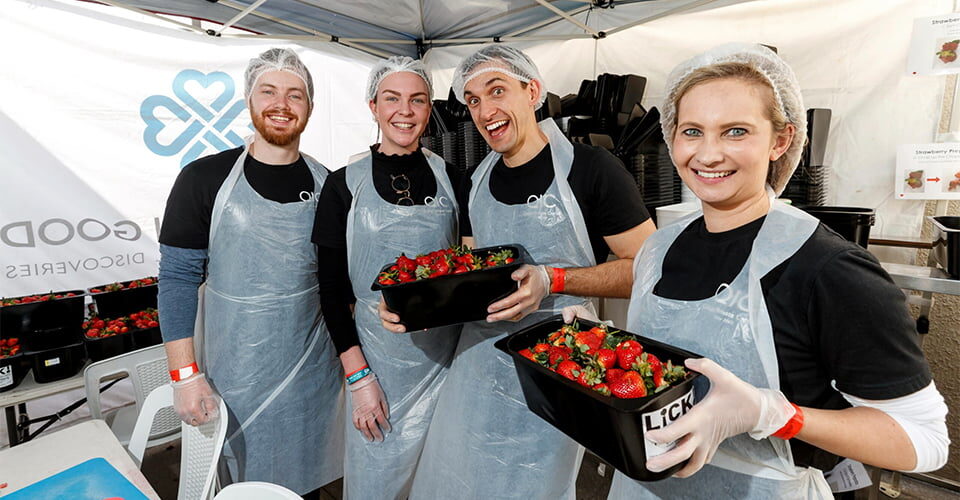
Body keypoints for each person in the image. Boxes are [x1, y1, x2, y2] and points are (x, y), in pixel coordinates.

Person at [557, 43, 949, 499]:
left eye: (736, 131)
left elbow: (923, 441)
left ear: (780, 140)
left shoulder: (829, 268)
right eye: (692, 131)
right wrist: (595, 347)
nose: (708, 154)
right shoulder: (659, 250)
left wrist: (774, 414)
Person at [388, 45, 657, 499]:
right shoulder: (475, 181)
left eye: (497, 91)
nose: (485, 110)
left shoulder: (592, 170)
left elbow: (649, 272)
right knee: (457, 479)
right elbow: (470, 272)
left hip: (557, 370)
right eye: (473, 100)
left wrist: (555, 280)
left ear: (532, 91)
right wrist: (413, 306)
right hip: (478, 364)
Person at [157, 48, 344, 499]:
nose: (281, 104)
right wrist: (185, 376)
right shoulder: (203, 180)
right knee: (245, 485)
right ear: (249, 100)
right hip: (234, 376)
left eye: (295, 95)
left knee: (310, 484)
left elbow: (341, 284)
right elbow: (178, 280)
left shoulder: (330, 186)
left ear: (309, 109)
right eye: (269, 91)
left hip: (313, 376)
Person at [311, 55, 463, 499]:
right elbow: (332, 292)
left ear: (429, 109)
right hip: (379, 367)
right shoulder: (343, 186)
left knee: (444, 482)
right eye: (392, 99)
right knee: (377, 481)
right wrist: (359, 378)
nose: (405, 111)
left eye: (417, 100)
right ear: (373, 105)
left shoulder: (454, 178)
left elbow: (471, 263)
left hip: (446, 362)